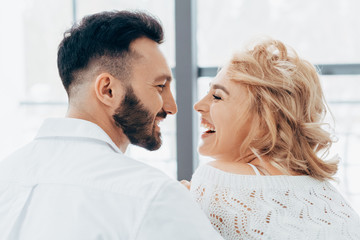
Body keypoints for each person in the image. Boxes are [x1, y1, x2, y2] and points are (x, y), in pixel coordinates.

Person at [0, 10, 223, 240]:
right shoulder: (152, 195)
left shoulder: (5, 176)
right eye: (159, 86)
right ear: (108, 90)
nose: (171, 106)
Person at [188, 38, 360, 239]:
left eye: (217, 96)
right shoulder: (326, 193)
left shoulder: (215, 179)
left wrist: (194, 196)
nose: (198, 105)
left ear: (265, 118)